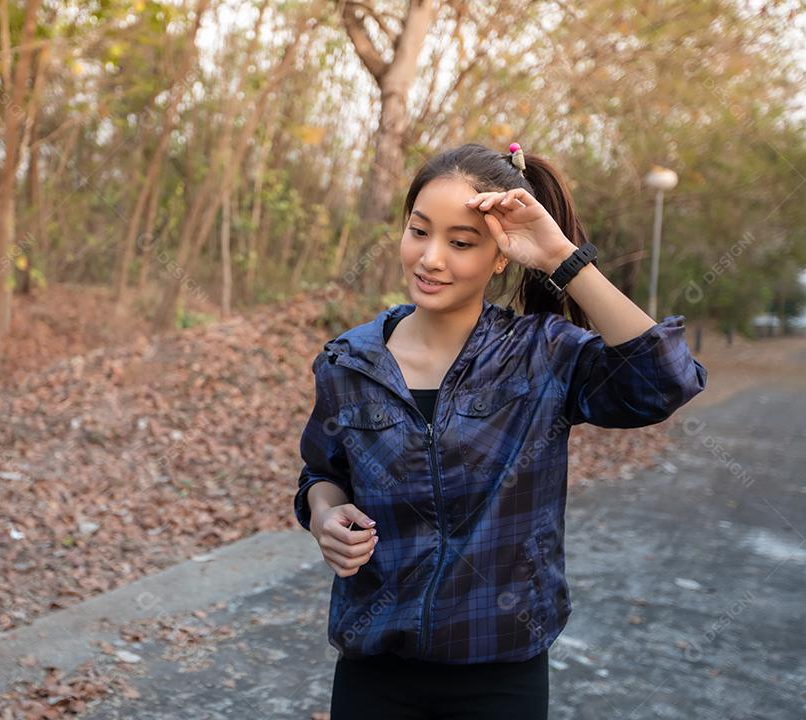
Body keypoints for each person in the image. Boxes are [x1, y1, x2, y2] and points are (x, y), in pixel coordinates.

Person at [292, 142, 708, 719]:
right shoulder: (348, 362)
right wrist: (323, 513)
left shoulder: (542, 354)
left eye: (460, 242)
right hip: (374, 667)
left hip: (501, 673)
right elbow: (323, 471)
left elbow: (664, 381)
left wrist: (563, 258)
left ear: (500, 257)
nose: (430, 258)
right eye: (419, 231)